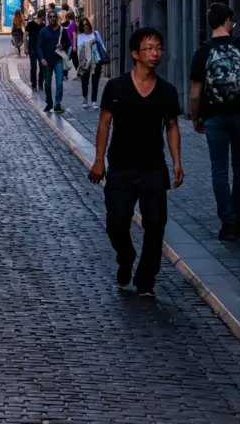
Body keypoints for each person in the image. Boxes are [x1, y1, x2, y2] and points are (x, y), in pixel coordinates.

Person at [89, 27, 184, 297]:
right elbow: (104, 123)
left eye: (159, 48)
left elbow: (172, 126)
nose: (156, 54)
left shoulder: (166, 91)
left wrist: (177, 162)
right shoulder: (116, 87)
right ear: (134, 54)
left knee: (155, 226)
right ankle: (126, 256)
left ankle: (146, 280)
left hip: (154, 168)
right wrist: (99, 161)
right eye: (149, 48)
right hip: (120, 167)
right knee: (116, 223)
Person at [190, 3, 240, 240]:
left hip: (214, 118)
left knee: (219, 170)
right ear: (227, 21)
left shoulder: (203, 51)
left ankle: (228, 223)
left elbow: (194, 92)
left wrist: (196, 119)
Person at [37, 11, 68, 114]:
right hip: (47, 61)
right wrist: (42, 59)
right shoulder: (43, 31)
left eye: (54, 17)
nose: (52, 18)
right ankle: (49, 103)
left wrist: (63, 46)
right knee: (47, 84)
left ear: (57, 18)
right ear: (47, 19)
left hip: (58, 60)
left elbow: (68, 43)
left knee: (59, 84)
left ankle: (57, 104)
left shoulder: (62, 31)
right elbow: (39, 47)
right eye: (50, 17)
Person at [77, 17, 106, 109]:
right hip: (85, 61)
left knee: (95, 81)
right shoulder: (80, 36)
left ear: (89, 25)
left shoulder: (96, 33)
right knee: (84, 81)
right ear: (81, 27)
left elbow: (101, 45)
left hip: (96, 60)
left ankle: (94, 100)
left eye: (87, 24)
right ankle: (85, 98)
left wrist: (103, 56)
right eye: (83, 25)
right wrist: (90, 42)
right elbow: (80, 48)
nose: (86, 26)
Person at [25, 8, 46, 90]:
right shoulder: (31, 24)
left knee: (42, 66)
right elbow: (25, 35)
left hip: (40, 49)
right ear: (43, 16)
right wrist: (26, 47)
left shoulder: (43, 26)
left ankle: (40, 82)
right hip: (32, 48)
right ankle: (34, 84)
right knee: (34, 66)